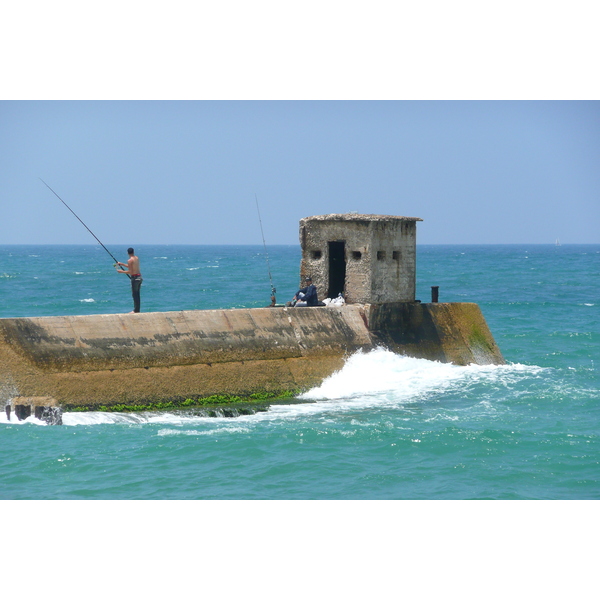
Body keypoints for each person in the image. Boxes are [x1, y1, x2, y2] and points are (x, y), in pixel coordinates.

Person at [117, 248, 143, 313]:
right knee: (137, 294)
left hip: (135, 278)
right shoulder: (136, 258)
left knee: (135, 294)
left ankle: (136, 310)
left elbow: (131, 271)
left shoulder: (130, 260)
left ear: (127, 253)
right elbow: (131, 267)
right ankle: (137, 309)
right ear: (133, 252)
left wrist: (122, 272)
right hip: (139, 277)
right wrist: (122, 264)